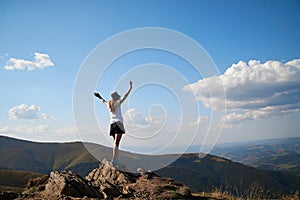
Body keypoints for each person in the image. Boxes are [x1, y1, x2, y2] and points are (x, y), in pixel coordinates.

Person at [94, 81, 133, 165]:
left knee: (116, 143)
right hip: (119, 124)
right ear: (116, 98)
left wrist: (99, 96)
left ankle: (116, 159)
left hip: (112, 125)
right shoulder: (118, 103)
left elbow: (103, 101)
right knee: (116, 143)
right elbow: (126, 95)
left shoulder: (109, 104)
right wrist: (130, 87)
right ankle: (114, 160)